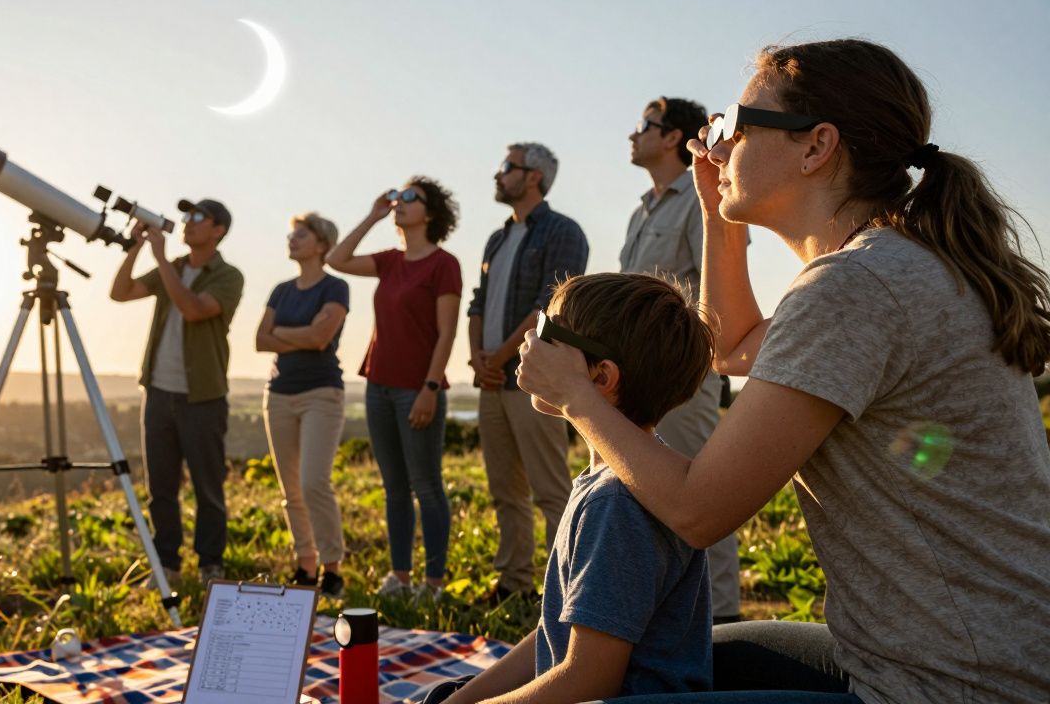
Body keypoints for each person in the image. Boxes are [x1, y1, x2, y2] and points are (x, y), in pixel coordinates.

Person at [517, 38, 1050, 703]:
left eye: (734, 127)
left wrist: (576, 397)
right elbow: (732, 345)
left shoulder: (855, 287)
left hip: (955, 685)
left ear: (815, 146)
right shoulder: (895, 265)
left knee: (621, 688)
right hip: (978, 654)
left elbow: (695, 511)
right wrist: (718, 217)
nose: (713, 147)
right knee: (686, 656)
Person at [427, 273, 714, 704]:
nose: (530, 339)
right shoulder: (621, 478)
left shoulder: (615, 503)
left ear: (600, 378)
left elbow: (588, 680)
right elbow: (556, 633)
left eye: (549, 332)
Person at [621, 97, 741, 625]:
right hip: (637, 375)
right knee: (646, 495)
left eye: (643, 126)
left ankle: (723, 624)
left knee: (702, 494)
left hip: (686, 376)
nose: (633, 135)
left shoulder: (700, 200)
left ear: (672, 137)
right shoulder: (639, 211)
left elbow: (719, 289)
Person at [327, 178, 462, 598]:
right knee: (394, 487)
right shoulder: (389, 261)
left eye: (409, 198)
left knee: (427, 485)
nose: (399, 203)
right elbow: (337, 258)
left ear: (431, 213)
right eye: (398, 197)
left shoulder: (444, 264)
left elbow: (446, 334)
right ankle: (400, 577)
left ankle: (434, 582)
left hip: (416, 389)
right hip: (379, 386)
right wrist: (373, 214)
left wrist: (430, 387)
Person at [469, 142, 589, 602]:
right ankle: (514, 585)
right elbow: (478, 304)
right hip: (492, 380)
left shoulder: (563, 232)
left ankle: (567, 594)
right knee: (505, 491)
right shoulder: (497, 239)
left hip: (535, 377)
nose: (499, 175)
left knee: (550, 490)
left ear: (533, 176)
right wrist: (479, 359)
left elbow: (549, 306)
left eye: (507, 167)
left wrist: (499, 359)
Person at [110, 198, 244, 588]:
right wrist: (136, 248)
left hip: (202, 396)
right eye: (186, 216)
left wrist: (161, 258)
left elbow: (194, 309)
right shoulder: (174, 268)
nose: (188, 223)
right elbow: (120, 293)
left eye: (198, 217)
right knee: (161, 487)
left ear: (218, 230)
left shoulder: (227, 276)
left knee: (208, 486)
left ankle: (210, 566)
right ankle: (167, 564)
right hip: (158, 392)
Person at [255, 212, 350, 598]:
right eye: (292, 232)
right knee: (290, 489)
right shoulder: (281, 290)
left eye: (302, 233)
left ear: (322, 244)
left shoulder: (336, 287)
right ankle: (304, 567)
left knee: (314, 483)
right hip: (277, 395)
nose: (292, 238)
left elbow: (320, 338)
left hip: (320, 394)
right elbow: (260, 340)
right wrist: (304, 335)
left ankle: (333, 569)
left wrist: (286, 334)